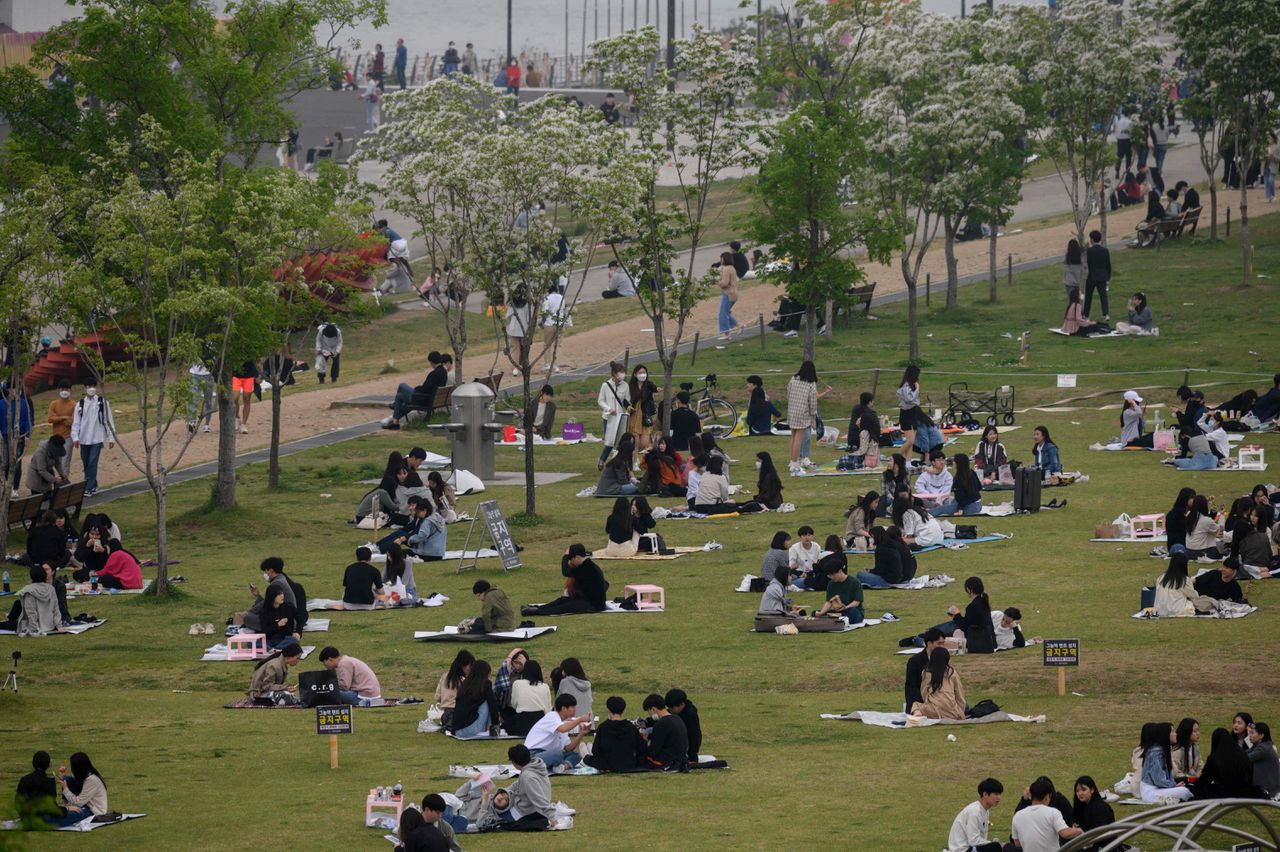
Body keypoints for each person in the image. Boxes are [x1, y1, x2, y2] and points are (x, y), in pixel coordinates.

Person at [522, 545, 608, 616]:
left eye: (571, 559)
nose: (571, 562)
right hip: (587, 599)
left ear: (577, 557)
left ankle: (537, 612)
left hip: (594, 605)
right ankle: (536, 608)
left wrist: (565, 557)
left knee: (567, 606)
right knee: (563, 600)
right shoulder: (586, 565)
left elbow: (566, 572)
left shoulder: (587, 568)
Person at [68, 381, 116, 496]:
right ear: (85, 387)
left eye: (93, 386)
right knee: (86, 463)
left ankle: (88, 488)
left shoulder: (102, 402)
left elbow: (108, 420)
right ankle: (93, 484)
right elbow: (76, 423)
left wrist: (111, 437)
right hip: (84, 439)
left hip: (97, 438)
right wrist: (75, 438)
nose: (91, 389)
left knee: (92, 463)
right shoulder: (80, 404)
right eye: (89, 386)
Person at [1011, 777, 1083, 851]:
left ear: (1031, 795)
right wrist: (1079, 830)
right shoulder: (1053, 812)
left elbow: (1017, 843)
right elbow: (1065, 834)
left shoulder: (1017, 815)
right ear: (1047, 796)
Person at [524, 694, 591, 771]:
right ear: (564, 708)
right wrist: (580, 719)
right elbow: (563, 729)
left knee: (576, 755)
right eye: (572, 707)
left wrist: (582, 733)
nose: (575, 709)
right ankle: (546, 765)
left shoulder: (562, 723)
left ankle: (562, 767)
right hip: (533, 754)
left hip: (549, 755)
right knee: (557, 754)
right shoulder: (552, 716)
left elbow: (569, 748)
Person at [385, 351, 449, 429]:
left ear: (431, 362)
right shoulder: (444, 372)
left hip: (422, 399)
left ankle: (395, 406)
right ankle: (395, 422)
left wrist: (417, 388)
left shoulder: (434, 374)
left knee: (402, 385)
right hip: (431, 399)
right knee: (399, 396)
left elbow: (425, 389)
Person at [0, 564, 68, 635]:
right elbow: (56, 610)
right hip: (49, 625)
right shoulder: (51, 588)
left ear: (31, 576)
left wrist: (34, 630)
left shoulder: (29, 590)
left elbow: (31, 613)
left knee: (4, 624)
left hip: (31, 626)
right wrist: (59, 626)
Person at [505, 745, 559, 829]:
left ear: (514, 762)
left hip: (527, 813)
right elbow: (517, 784)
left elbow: (538, 799)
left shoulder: (527, 777)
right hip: (533, 809)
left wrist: (552, 818)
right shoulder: (535, 766)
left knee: (496, 818)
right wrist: (504, 791)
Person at [586, 696, 645, 772]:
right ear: (623, 710)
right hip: (628, 763)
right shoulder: (631, 727)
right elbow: (641, 748)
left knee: (585, 752)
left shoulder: (603, 727)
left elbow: (596, 750)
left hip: (606, 764)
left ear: (609, 710)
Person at [1193, 726, 1254, 799]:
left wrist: (1194, 785)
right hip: (1246, 791)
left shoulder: (1216, 758)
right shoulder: (1241, 753)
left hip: (1227, 793)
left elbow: (1205, 779)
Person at [1140, 722, 1195, 803]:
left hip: (1160, 788)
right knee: (1184, 791)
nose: (1175, 734)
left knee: (1187, 787)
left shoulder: (1162, 751)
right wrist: (1173, 786)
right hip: (1151, 792)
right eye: (1172, 732)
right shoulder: (1155, 754)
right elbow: (1158, 780)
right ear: (1165, 735)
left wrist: (1173, 785)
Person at [947, 777, 1004, 852]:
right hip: (962, 849)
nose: (999, 798)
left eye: (1000, 794)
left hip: (969, 848)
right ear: (985, 794)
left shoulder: (985, 811)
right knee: (996, 847)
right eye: (996, 794)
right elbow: (973, 841)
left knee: (996, 846)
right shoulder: (974, 811)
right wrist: (995, 844)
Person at [786, 360, 823, 473]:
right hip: (803, 413)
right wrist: (813, 417)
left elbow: (788, 393)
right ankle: (795, 463)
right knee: (798, 439)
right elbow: (813, 402)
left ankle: (792, 461)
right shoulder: (811, 384)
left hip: (792, 411)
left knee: (793, 438)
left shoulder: (793, 379)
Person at [910, 647, 965, 720]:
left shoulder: (927, 672)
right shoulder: (952, 673)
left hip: (934, 710)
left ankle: (918, 713)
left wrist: (927, 704)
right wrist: (960, 711)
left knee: (916, 705)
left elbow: (924, 692)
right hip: (952, 711)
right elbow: (959, 694)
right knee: (966, 706)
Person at [55, 752, 109, 827]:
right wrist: (63, 777)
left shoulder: (92, 780)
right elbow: (77, 788)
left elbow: (79, 802)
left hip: (93, 810)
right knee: (68, 779)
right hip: (84, 803)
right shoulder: (84, 775)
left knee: (66, 816)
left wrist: (65, 789)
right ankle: (67, 806)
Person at [450, 660, 498, 738]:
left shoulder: (465, 684)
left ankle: (488, 729)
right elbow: (493, 707)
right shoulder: (486, 684)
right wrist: (496, 723)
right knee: (487, 702)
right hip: (470, 730)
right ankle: (491, 730)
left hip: (457, 731)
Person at [596, 361, 631, 469]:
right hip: (609, 417)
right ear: (615, 374)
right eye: (621, 372)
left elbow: (627, 400)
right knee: (610, 441)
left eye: (624, 372)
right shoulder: (605, 385)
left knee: (621, 442)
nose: (623, 374)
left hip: (621, 417)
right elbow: (600, 401)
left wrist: (628, 407)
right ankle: (601, 460)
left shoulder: (625, 386)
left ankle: (621, 464)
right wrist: (608, 409)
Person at [641, 693, 689, 771]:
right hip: (682, 759)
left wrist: (644, 742)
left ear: (653, 709)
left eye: (649, 712)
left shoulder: (661, 723)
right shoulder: (677, 718)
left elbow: (653, 750)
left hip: (668, 761)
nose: (649, 715)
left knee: (641, 758)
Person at [904, 628, 946, 711]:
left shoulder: (943, 658)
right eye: (939, 644)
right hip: (921, 700)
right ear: (929, 643)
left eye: (943, 644)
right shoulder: (915, 661)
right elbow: (912, 687)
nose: (942, 647)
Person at [16, 750, 59, 826]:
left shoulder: (24, 779)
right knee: (78, 814)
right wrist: (67, 809)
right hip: (44, 819)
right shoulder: (49, 782)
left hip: (26, 818)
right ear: (49, 765)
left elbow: (18, 802)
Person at [434, 650, 473, 727]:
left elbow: (437, 697)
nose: (471, 669)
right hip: (458, 715)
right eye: (470, 666)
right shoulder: (463, 680)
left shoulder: (444, 676)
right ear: (463, 665)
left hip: (445, 716)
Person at [897, 365, 924, 466]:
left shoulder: (912, 384)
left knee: (912, 442)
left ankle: (908, 462)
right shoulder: (906, 386)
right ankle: (896, 457)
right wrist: (917, 389)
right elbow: (909, 399)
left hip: (914, 412)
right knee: (910, 441)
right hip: (906, 414)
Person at [845, 391, 881, 464]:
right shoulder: (871, 414)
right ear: (870, 402)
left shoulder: (855, 408)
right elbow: (877, 430)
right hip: (863, 441)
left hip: (851, 440)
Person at [1083, 229, 1112, 321]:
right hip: (1102, 276)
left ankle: (1086, 315)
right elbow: (1108, 265)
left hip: (1091, 276)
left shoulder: (1089, 251)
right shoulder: (1105, 250)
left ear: (1091, 239)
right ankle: (1105, 314)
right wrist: (1108, 277)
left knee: (1088, 296)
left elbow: (1086, 264)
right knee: (1103, 296)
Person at [1246, 722, 1280, 799]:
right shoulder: (1262, 745)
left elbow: (1244, 759)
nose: (1249, 735)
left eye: (1252, 733)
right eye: (1249, 733)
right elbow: (1243, 754)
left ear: (1261, 735)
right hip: (1266, 787)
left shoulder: (1263, 749)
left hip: (1267, 790)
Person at [716, 251, 739, 337]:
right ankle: (739, 325)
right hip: (734, 293)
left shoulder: (726, 269)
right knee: (726, 312)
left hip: (728, 294)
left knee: (723, 314)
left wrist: (717, 282)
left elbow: (725, 283)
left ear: (724, 259)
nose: (720, 260)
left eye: (721, 258)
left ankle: (727, 334)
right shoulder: (732, 267)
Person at [1173, 717, 1203, 783]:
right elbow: (1175, 772)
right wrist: (1188, 779)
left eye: (1198, 730)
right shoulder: (1177, 751)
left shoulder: (1195, 748)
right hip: (1181, 782)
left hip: (1193, 780)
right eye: (1195, 731)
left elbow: (1200, 767)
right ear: (1187, 732)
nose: (1198, 733)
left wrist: (1198, 777)